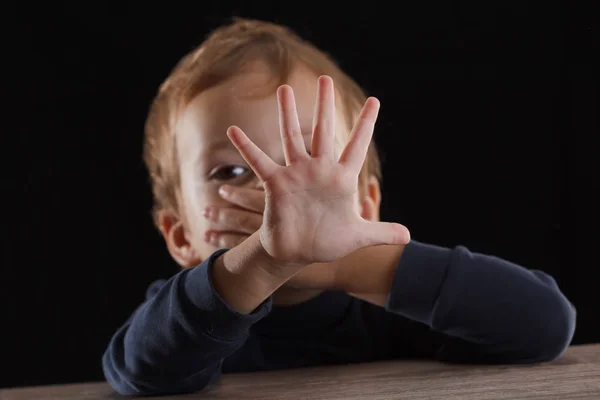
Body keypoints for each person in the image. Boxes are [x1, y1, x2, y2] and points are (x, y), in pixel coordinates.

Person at [102, 18, 576, 396]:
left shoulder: (392, 311)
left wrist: (343, 265)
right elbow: (144, 373)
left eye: (310, 160)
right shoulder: (181, 318)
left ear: (366, 206)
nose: (282, 189)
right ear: (180, 234)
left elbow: (544, 325)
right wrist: (264, 260)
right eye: (230, 172)